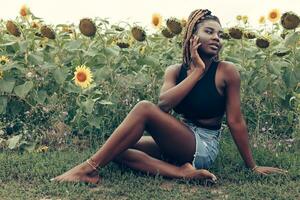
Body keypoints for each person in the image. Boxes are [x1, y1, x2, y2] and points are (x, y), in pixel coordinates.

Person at [51, 9, 287, 184]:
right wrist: (196, 73)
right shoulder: (175, 71)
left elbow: (236, 121)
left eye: (220, 34)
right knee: (116, 149)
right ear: (192, 37)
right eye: (209, 31)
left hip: (202, 146)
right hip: (180, 138)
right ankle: (181, 172)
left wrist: (252, 166)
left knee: (144, 108)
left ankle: (88, 168)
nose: (217, 38)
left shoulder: (227, 72)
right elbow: (165, 104)